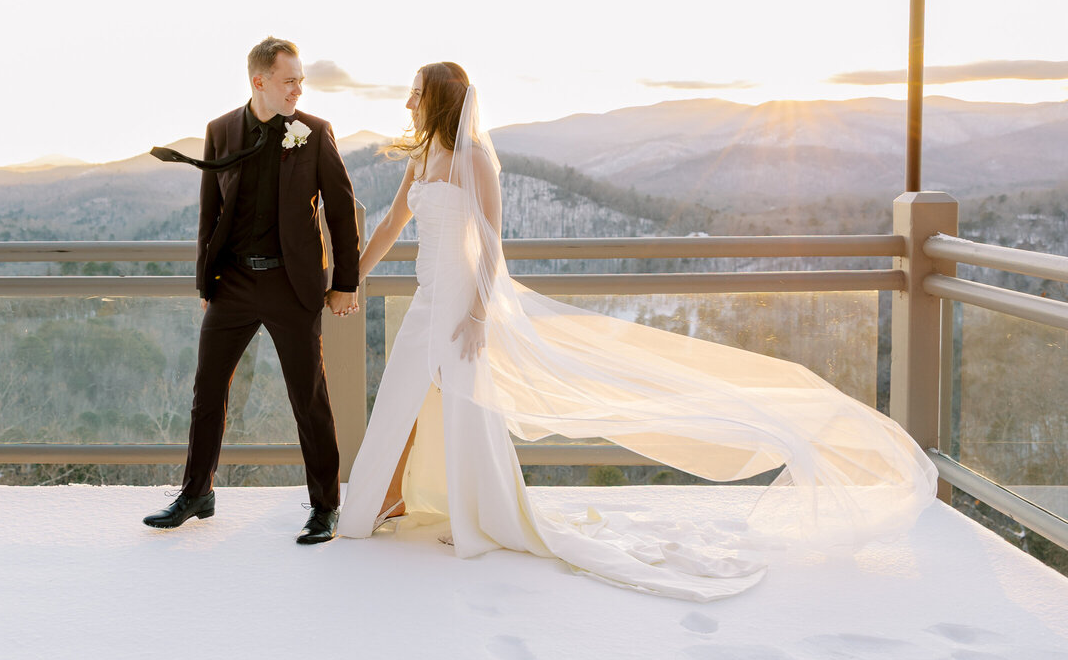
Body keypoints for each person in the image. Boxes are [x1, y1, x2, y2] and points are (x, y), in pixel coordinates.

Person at [336, 62, 936, 600]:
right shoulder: (422, 158)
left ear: (438, 98)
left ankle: (478, 516)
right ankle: (383, 503)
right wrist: (349, 278)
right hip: (426, 303)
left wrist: (476, 316)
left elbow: (494, 246)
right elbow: (391, 225)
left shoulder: (474, 160)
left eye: (415, 94)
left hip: (464, 304)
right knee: (402, 401)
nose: (407, 104)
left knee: (469, 410)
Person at [143, 37, 361, 544]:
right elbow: (209, 212)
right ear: (259, 81)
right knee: (207, 391)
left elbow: (342, 212)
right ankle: (197, 493)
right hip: (233, 283)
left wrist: (344, 283)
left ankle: (325, 506)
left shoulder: (314, 133)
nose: (298, 90)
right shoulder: (220, 131)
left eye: (301, 81)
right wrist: (206, 281)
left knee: (309, 399)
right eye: (289, 81)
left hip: (292, 284)